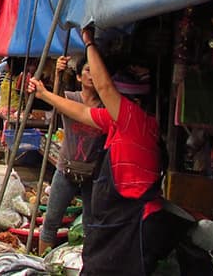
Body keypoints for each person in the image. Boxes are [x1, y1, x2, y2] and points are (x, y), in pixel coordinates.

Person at [27, 28, 174, 275]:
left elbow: (105, 89)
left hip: (133, 222)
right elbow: (81, 112)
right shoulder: (118, 120)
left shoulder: (134, 119)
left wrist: (89, 42)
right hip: (118, 220)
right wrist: (45, 94)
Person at [39, 55, 105, 255]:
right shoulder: (71, 98)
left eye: (96, 71)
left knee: (90, 226)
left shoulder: (105, 106)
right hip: (66, 168)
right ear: (78, 77)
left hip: (93, 174)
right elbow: (55, 98)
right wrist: (58, 73)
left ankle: (85, 264)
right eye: (87, 71)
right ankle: (41, 262)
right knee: (51, 222)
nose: (92, 75)